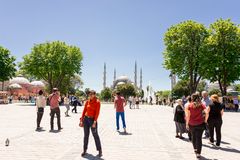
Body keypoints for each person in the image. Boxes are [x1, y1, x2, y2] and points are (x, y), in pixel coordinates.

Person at [79, 90, 102, 157]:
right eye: (90, 94)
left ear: (95, 94)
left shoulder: (97, 102)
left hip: (92, 120)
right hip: (86, 119)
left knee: (95, 135)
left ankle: (100, 150)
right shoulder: (87, 101)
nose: (90, 95)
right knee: (86, 135)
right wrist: (81, 120)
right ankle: (84, 150)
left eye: (92, 94)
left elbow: (97, 113)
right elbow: (84, 111)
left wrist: (94, 122)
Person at [185, 93, 208, 159]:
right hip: (200, 123)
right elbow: (207, 112)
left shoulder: (189, 106)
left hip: (191, 124)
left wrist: (187, 124)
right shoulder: (202, 105)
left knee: (193, 137)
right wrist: (205, 120)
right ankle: (198, 153)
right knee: (199, 138)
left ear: (192, 98)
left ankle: (195, 148)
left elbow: (187, 116)